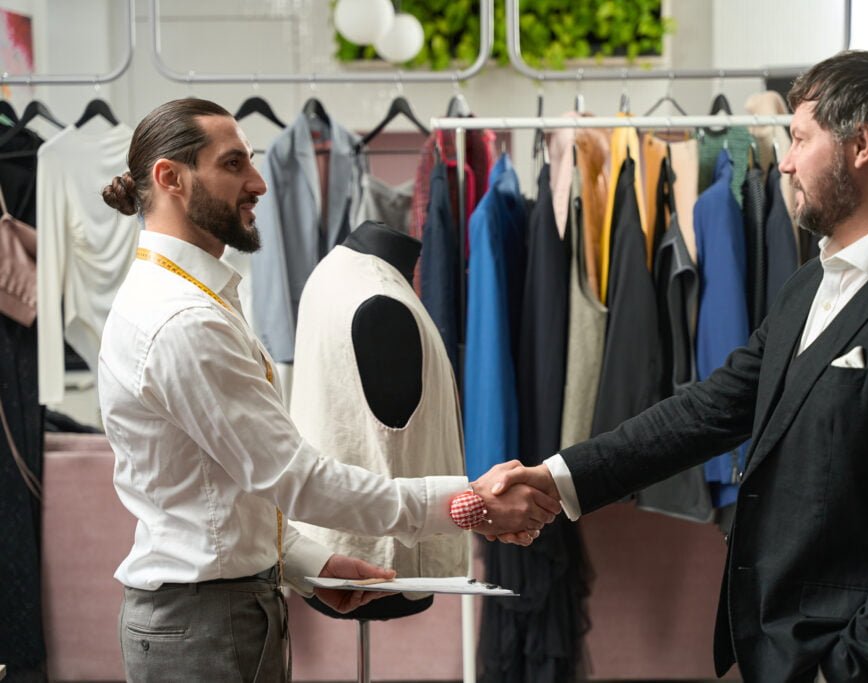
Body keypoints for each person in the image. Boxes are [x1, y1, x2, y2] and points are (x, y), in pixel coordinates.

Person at [482, 50, 868, 681]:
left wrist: (836, 675)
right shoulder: (811, 281)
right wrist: (556, 478)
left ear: (861, 146)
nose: (785, 161)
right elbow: (710, 408)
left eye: (799, 139)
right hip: (778, 651)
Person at [98, 98, 558, 682]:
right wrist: (465, 504)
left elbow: (225, 488)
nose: (258, 183)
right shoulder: (184, 320)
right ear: (171, 178)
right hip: (208, 624)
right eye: (233, 164)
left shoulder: (187, 300)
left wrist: (311, 561)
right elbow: (297, 480)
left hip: (217, 612)